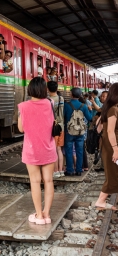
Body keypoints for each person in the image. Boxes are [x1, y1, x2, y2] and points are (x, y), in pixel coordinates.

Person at [17, 77, 56, 224]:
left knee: (35, 181)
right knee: (49, 181)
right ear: (44, 89)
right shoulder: (50, 103)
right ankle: (47, 214)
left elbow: (21, 129)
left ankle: (39, 215)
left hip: (31, 149)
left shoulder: (23, 106)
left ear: (30, 89)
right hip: (48, 148)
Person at [92, 83, 118, 210]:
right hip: (112, 147)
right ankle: (101, 201)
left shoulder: (108, 108)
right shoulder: (113, 109)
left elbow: (99, 127)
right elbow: (110, 131)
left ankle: (101, 201)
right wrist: (116, 149)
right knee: (113, 174)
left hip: (109, 146)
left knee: (113, 173)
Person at [64, 88, 92, 176]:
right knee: (79, 151)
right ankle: (79, 170)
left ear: (71, 95)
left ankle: (70, 170)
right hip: (80, 132)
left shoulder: (66, 105)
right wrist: (90, 110)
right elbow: (90, 118)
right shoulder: (83, 106)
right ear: (80, 95)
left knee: (69, 151)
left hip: (69, 131)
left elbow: (63, 117)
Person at [47, 81, 65, 178]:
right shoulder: (61, 98)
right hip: (61, 126)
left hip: (52, 127)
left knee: (53, 149)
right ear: (57, 88)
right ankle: (61, 170)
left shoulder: (48, 100)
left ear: (48, 89)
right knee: (59, 149)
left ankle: (55, 171)